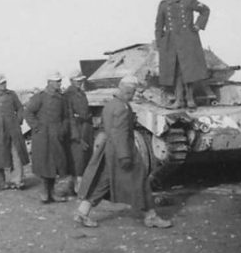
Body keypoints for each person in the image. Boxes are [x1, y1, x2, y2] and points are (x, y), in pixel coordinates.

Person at [74, 76, 172, 228]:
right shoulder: (122, 108)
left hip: (110, 150)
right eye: (132, 92)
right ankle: (151, 216)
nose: (133, 96)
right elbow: (120, 133)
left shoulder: (110, 105)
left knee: (104, 181)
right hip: (123, 150)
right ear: (129, 91)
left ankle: (83, 211)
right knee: (140, 181)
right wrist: (125, 156)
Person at [154, 0, 210, 109]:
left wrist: (198, 25)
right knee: (176, 71)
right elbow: (159, 25)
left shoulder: (188, 0)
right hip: (171, 42)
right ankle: (179, 100)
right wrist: (160, 43)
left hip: (188, 41)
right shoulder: (163, 5)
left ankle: (190, 99)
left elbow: (205, 10)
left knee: (188, 71)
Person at [24, 71, 71, 203]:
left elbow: (66, 116)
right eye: (57, 81)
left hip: (57, 136)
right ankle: (45, 193)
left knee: (55, 164)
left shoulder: (61, 98)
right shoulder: (40, 97)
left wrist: (63, 129)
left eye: (60, 81)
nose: (59, 83)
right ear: (49, 82)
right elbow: (28, 112)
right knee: (45, 164)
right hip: (43, 137)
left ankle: (53, 193)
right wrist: (37, 127)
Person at [64, 70, 93, 194]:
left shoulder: (81, 93)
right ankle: (78, 188)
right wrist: (76, 136)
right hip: (76, 130)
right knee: (78, 159)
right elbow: (69, 116)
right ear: (71, 81)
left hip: (85, 128)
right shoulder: (68, 95)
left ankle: (79, 187)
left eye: (81, 80)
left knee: (84, 157)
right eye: (77, 80)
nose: (80, 82)